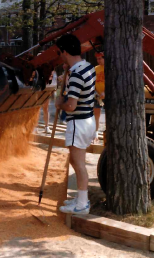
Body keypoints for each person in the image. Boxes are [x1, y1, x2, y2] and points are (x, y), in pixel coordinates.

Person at [55, 34, 96, 215]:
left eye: (60, 52)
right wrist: (67, 72)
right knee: (75, 160)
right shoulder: (87, 67)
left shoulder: (76, 74)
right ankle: (80, 200)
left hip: (78, 123)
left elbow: (70, 106)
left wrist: (59, 104)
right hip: (87, 120)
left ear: (65, 51)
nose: (60, 56)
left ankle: (82, 204)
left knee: (79, 164)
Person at [93, 52, 105, 143]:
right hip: (97, 96)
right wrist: (96, 92)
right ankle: (95, 134)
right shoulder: (96, 69)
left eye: (100, 58)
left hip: (108, 96)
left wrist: (105, 92)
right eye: (97, 59)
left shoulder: (109, 68)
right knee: (96, 116)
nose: (98, 60)